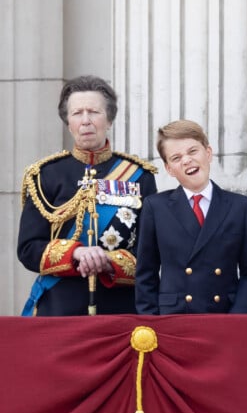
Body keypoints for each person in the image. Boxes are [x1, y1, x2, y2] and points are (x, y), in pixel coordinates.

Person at [18, 75, 158, 316]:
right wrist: (75, 253)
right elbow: (28, 249)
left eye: (94, 112)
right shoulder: (44, 175)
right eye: (77, 113)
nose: (85, 121)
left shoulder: (139, 175)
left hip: (121, 310)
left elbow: (152, 252)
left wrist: (109, 261)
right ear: (68, 122)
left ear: (109, 119)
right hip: (60, 309)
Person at [135, 120, 247, 314]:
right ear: (169, 168)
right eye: (176, 158)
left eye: (192, 151)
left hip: (224, 315)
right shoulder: (156, 207)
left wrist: (238, 320)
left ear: (208, 153)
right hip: (173, 318)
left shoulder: (239, 206)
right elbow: (146, 273)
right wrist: (152, 323)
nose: (186, 160)